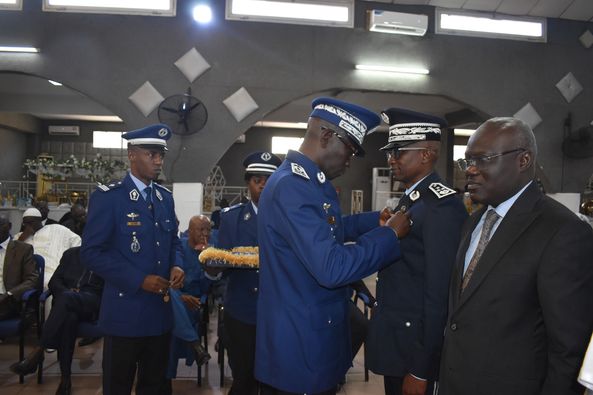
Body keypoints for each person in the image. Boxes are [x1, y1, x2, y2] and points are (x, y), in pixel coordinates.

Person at [255, 97, 412, 395]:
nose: (350, 160)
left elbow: (329, 228)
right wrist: (389, 236)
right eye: (350, 149)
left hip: (312, 336)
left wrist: (371, 221)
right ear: (327, 135)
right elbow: (332, 267)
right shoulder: (293, 187)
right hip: (300, 347)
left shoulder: (309, 183)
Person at [438, 117, 593, 395]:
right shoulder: (474, 222)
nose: (470, 170)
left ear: (523, 160)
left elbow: (569, 349)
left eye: (483, 159)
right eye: (467, 161)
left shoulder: (562, 232)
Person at [366, 108, 468, 395]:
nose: (391, 159)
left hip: (414, 349)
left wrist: (422, 368)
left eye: (399, 152)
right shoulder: (413, 199)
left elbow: (438, 294)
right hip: (399, 341)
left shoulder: (441, 206)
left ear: (426, 154)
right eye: (389, 152)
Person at [81, 123, 184, 395]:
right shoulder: (110, 198)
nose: (158, 160)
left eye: (161, 155)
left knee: (156, 387)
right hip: (125, 315)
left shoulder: (164, 198)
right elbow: (91, 252)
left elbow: (173, 240)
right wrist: (139, 280)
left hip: (160, 316)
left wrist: (177, 264)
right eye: (151, 154)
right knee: (118, 386)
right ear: (132, 154)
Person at [214, 151, 281, 395]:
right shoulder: (232, 219)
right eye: (257, 180)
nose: (263, 186)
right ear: (248, 183)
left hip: (278, 311)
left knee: (276, 381)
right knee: (244, 379)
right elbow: (222, 266)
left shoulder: (289, 218)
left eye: (269, 180)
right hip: (243, 311)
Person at [10, 246, 104, 395]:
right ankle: (65, 381)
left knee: (66, 302)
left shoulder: (107, 255)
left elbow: (108, 287)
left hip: (90, 302)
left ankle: (39, 350)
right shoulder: (70, 254)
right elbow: (55, 281)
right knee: (69, 319)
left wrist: (76, 294)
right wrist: (66, 292)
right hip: (66, 302)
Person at [164, 215, 213, 393]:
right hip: (178, 297)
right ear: (189, 231)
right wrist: (182, 296)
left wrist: (209, 265)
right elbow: (170, 281)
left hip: (196, 303)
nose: (205, 233)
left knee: (170, 324)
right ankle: (194, 343)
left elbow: (208, 288)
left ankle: (166, 380)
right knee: (171, 316)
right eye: (201, 229)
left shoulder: (212, 251)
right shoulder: (179, 249)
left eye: (208, 229)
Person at [15, 208, 81, 288]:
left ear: (39, 220)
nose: (28, 226)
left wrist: (68, 263)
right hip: (29, 275)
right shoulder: (19, 237)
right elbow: (11, 253)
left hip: (53, 271)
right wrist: (23, 237)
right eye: (25, 223)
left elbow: (77, 241)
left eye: (31, 223)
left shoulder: (56, 229)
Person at [0, 213, 38, 320]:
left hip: (7, 300)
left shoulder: (23, 249)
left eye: (0, 225)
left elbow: (32, 279)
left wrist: (9, 294)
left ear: (10, 226)